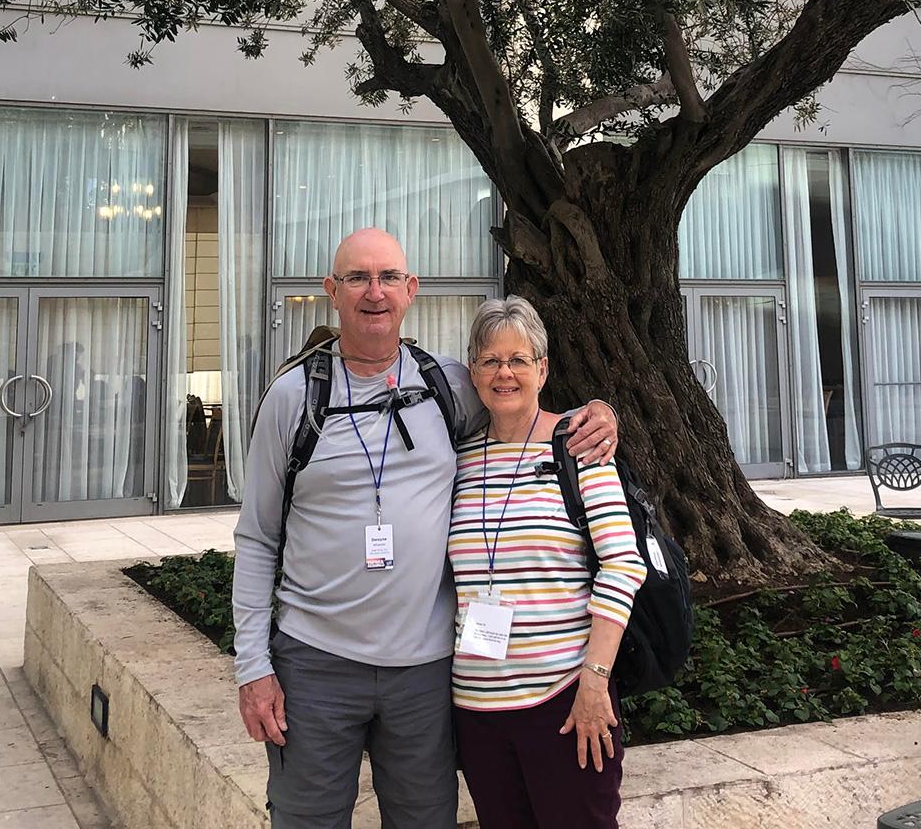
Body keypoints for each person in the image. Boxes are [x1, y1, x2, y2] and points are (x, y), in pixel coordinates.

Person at [232, 228, 619, 829]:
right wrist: (253, 666)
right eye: (357, 278)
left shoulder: (446, 384)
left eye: (389, 277)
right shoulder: (292, 397)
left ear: (411, 289)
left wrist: (597, 414)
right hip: (314, 663)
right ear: (332, 291)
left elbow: (516, 404)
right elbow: (257, 539)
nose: (375, 292)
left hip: (425, 673)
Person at [449, 296, 646, 829]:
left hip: (565, 702)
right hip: (477, 710)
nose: (504, 373)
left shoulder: (579, 449)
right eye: (491, 360)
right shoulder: (457, 459)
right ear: (472, 371)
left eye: (518, 359)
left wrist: (595, 682)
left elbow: (623, 565)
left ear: (542, 369)